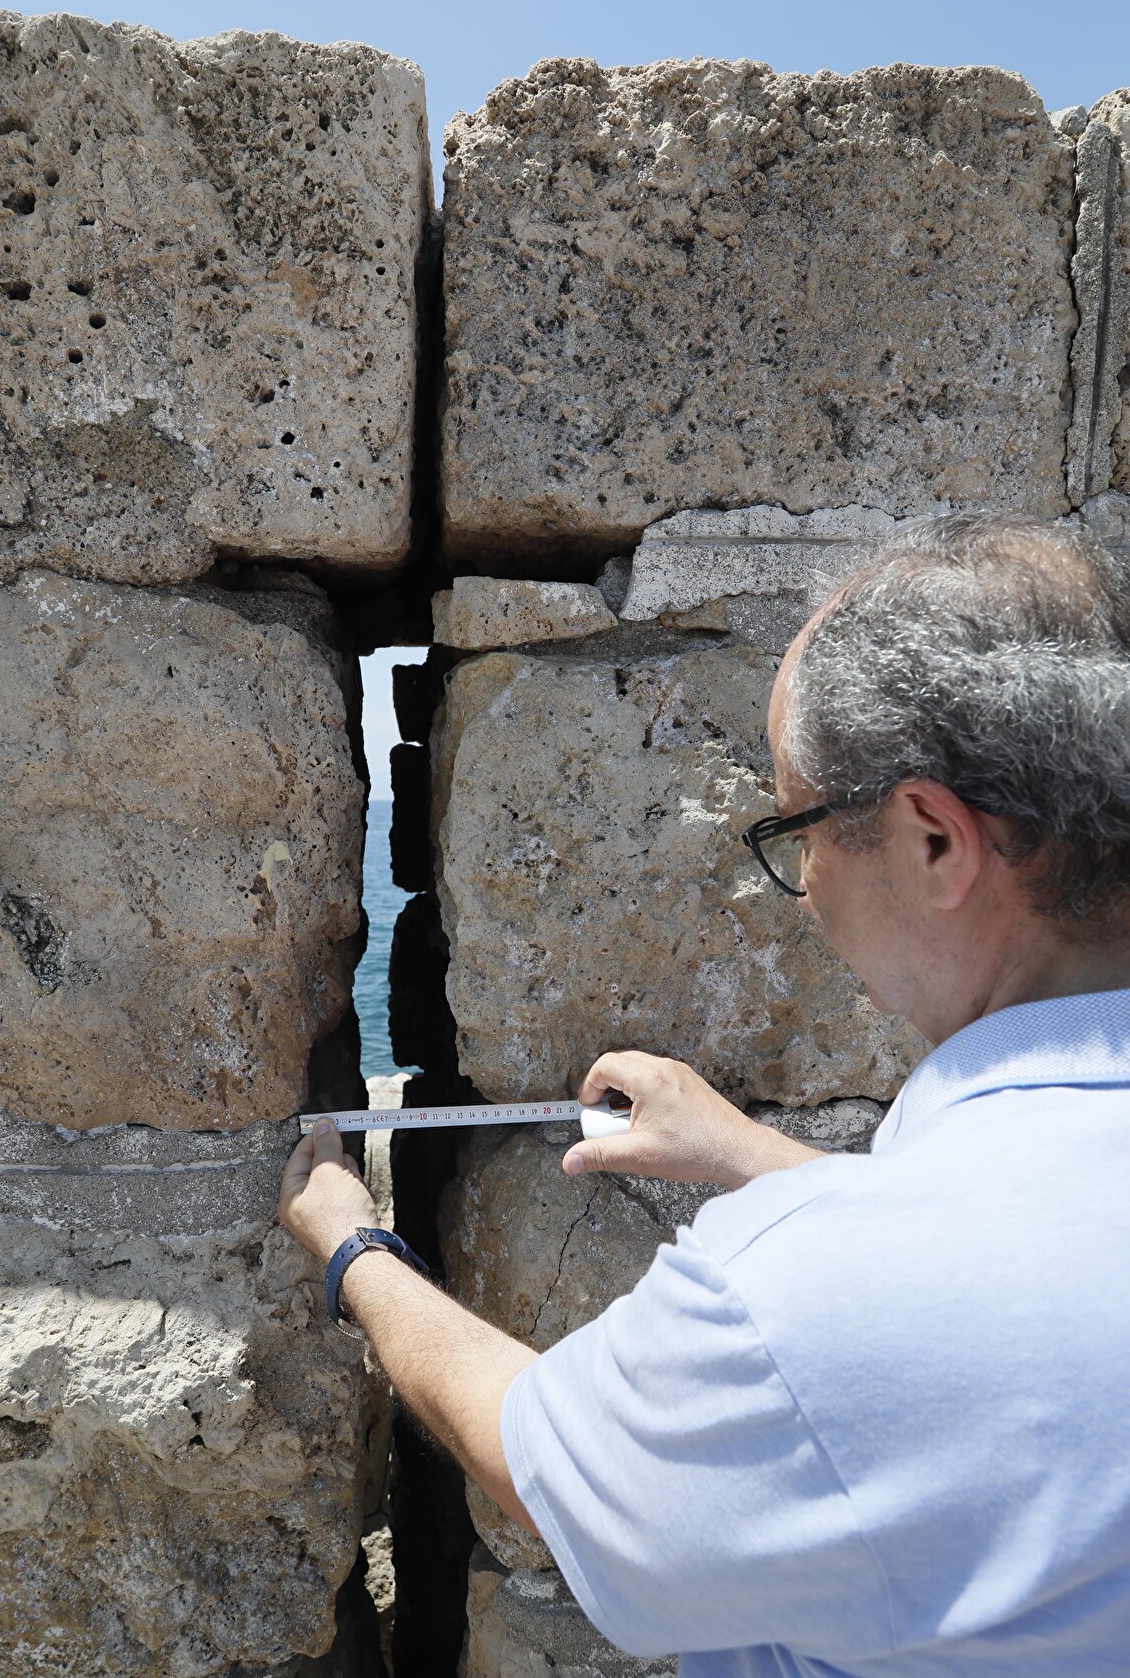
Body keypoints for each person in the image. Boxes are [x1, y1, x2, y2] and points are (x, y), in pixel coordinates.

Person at [279, 513, 1130, 1675]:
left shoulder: (799, 1296)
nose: (799, 889)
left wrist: (352, 1252)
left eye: (800, 826)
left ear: (936, 840)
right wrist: (750, 1152)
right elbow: (1026, 1258)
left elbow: (538, 1466)